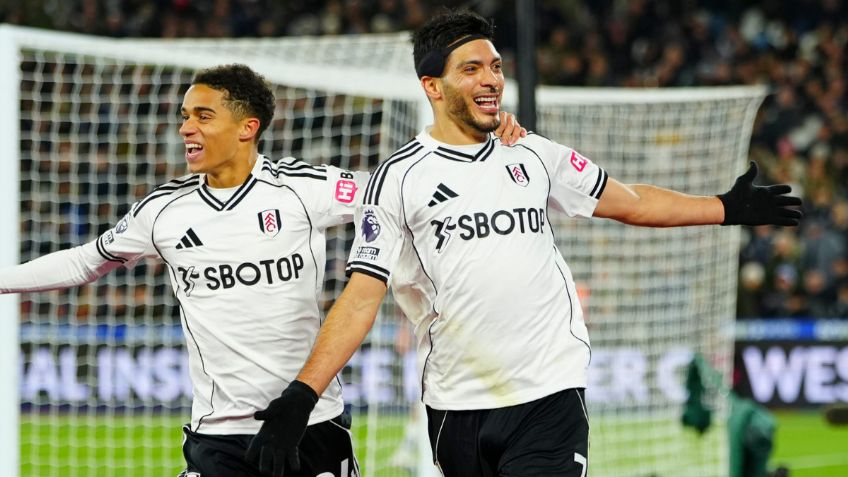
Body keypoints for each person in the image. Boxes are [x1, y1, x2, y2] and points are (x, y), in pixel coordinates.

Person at [251, 10, 804, 477]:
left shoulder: (533, 154)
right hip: (455, 406)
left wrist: (725, 208)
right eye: (471, 69)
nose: (492, 78)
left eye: (495, 66)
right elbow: (362, 295)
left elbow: (630, 202)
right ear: (432, 87)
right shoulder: (397, 179)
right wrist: (304, 394)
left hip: (549, 393)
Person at [2, 62, 526, 477]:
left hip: (311, 422)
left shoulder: (303, 189)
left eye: (202, 116)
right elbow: (85, 262)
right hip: (219, 436)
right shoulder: (162, 211)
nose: (186, 126)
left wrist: (483, 147)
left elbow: (400, 189)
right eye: (185, 115)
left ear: (247, 127)